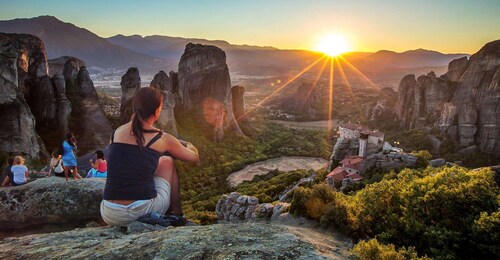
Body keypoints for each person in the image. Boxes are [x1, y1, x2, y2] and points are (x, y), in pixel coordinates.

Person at [100, 87, 199, 227]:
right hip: (140, 211)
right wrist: (188, 144)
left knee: (161, 161)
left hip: (109, 213)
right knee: (168, 161)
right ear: (158, 110)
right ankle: (177, 214)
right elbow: (194, 157)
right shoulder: (161, 138)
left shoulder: (116, 133)